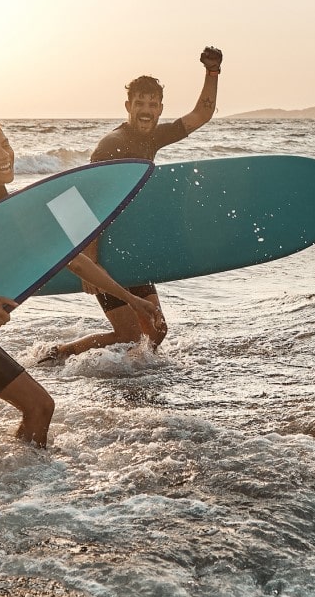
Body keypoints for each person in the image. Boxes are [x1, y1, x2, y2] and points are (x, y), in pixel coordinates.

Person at [0, 118, 164, 445]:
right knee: (40, 407)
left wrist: (133, 300)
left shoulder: (2, 201)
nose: (4, 154)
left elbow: (72, 259)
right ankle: (29, 489)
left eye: (5, 144)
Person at [46, 47, 224, 361]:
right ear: (128, 106)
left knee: (155, 330)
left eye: (152, 104)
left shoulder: (153, 138)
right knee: (130, 334)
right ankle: (60, 356)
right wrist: (90, 264)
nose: (146, 109)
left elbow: (202, 115)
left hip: (129, 247)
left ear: (159, 109)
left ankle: (129, 371)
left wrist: (212, 73)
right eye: (140, 103)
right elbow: (90, 202)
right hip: (103, 252)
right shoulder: (113, 145)